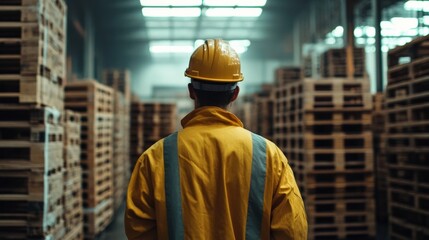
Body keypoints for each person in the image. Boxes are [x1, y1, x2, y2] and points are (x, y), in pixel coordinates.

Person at [124, 39, 307, 239]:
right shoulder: (270, 156)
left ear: (191, 91)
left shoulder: (154, 158)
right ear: (235, 94)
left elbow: (138, 230)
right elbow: (292, 231)